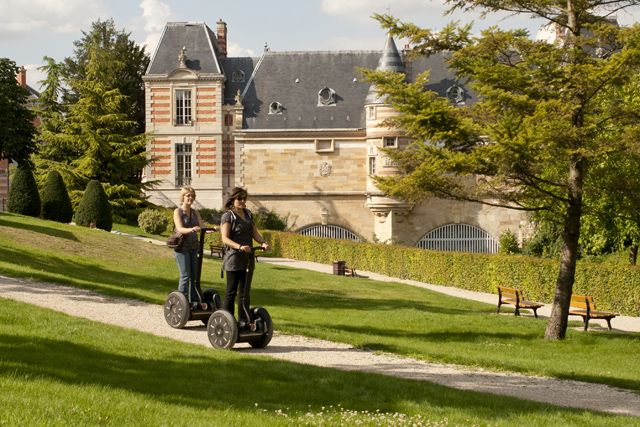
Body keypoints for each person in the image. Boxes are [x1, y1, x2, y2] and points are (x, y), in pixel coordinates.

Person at [220, 187, 270, 319]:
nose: (242, 201)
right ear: (232, 199)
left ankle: (243, 319)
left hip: (247, 258)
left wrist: (263, 243)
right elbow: (225, 238)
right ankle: (227, 320)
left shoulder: (248, 213)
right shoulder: (228, 216)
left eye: (244, 198)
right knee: (231, 292)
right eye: (239, 198)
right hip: (233, 258)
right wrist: (240, 246)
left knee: (244, 292)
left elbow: (254, 233)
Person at [172, 186, 217, 307]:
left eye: (192, 196)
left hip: (194, 247)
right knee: (185, 276)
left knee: (194, 277)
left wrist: (211, 229)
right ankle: (182, 302)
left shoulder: (195, 212)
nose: (190, 198)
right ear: (183, 197)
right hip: (182, 248)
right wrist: (192, 229)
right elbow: (180, 229)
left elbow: (202, 227)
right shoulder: (178, 211)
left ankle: (194, 301)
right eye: (188, 195)